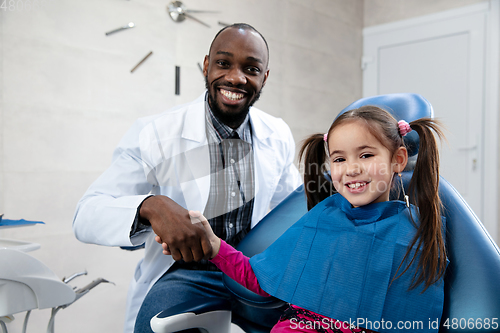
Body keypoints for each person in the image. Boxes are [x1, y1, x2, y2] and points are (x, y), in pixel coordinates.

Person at [72, 23, 301, 333]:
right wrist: (151, 207)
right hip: (186, 273)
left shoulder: (277, 133)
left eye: (251, 68)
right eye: (223, 63)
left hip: (251, 272)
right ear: (206, 65)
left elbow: (288, 211)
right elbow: (86, 214)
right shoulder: (155, 133)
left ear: (265, 77)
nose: (236, 77)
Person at [162, 106, 448, 333]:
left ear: (398, 160)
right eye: (339, 159)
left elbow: (413, 315)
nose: (351, 169)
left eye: (366, 154)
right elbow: (262, 279)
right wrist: (214, 245)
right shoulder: (322, 219)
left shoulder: (414, 235)